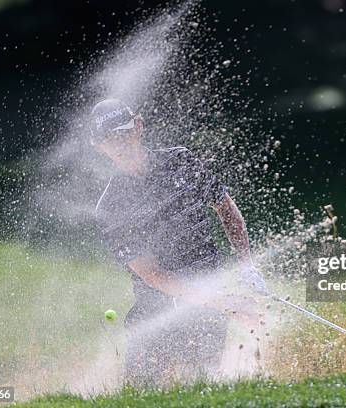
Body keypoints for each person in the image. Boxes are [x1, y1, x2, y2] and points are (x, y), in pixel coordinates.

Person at [89, 98, 266, 387]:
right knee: (140, 394)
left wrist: (246, 266)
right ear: (99, 147)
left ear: (139, 127)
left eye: (123, 132)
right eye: (109, 138)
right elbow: (153, 275)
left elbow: (225, 208)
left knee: (203, 386)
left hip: (207, 298)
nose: (119, 142)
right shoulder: (110, 207)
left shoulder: (181, 161)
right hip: (154, 311)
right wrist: (225, 302)